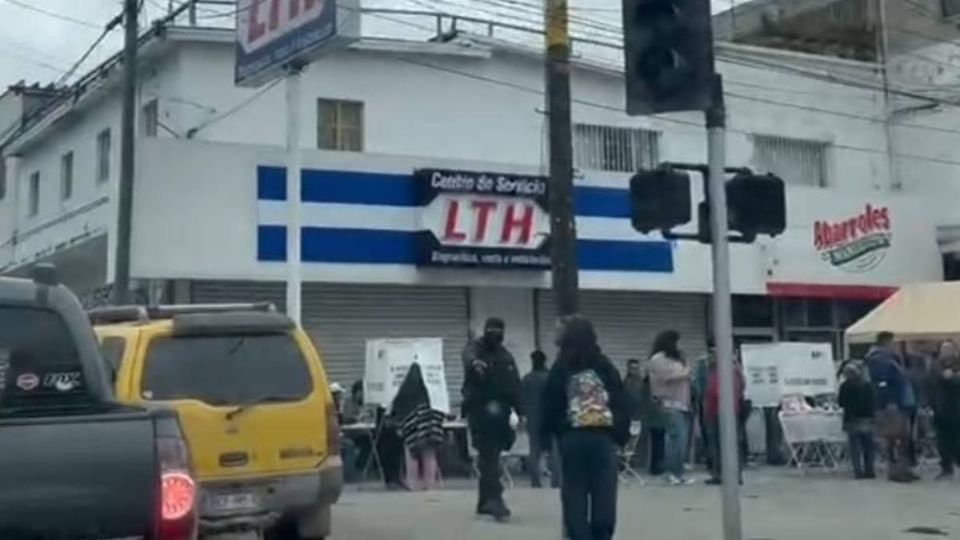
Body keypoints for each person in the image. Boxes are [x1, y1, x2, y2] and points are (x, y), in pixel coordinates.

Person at [541, 317, 629, 540]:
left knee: (574, 492)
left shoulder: (561, 367)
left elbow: (549, 406)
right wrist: (618, 435)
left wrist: (557, 432)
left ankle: (578, 534)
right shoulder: (604, 365)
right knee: (604, 492)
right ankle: (602, 533)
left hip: (572, 438)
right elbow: (621, 401)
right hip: (603, 438)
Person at [461, 317, 522, 522]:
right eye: (492, 329)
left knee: (491, 456)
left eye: (499, 330)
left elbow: (514, 383)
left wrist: (521, 411)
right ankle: (494, 499)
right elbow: (469, 355)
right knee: (489, 456)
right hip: (480, 411)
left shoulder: (505, 355)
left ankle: (484, 502)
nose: (495, 333)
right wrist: (475, 363)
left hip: (501, 413)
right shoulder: (476, 348)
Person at [866, 331, 917, 483]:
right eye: (892, 343)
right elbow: (882, 383)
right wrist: (889, 402)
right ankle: (896, 471)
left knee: (904, 437)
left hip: (902, 403)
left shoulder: (891, 359)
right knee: (894, 437)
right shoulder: (879, 360)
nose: (895, 346)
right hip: (892, 405)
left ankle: (904, 468)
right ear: (886, 343)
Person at [648, 330, 693, 485]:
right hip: (669, 403)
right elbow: (667, 376)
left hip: (681, 403)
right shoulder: (658, 358)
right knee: (676, 438)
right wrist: (686, 371)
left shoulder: (676, 358)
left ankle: (678, 472)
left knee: (679, 439)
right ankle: (673, 472)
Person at [391, 363, 445, 491]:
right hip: (431, 424)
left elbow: (398, 405)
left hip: (413, 424)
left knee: (411, 453)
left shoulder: (406, 388)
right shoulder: (432, 387)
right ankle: (429, 483)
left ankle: (413, 482)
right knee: (429, 454)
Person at [704, 354, 746, 485]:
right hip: (733, 410)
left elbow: (714, 393)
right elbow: (742, 388)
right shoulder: (737, 373)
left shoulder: (720, 374)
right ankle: (736, 474)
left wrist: (708, 413)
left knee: (717, 445)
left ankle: (719, 474)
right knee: (733, 444)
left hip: (718, 411)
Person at [522, 350, 558, 488]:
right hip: (551, 416)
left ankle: (535, 481)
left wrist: (523, 414)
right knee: (555, 450)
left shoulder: (527, 378)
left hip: (533, 416)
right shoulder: (551, 377)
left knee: (534, 449)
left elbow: (521, 398)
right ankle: (556, 482)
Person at [838, 363, 876, 480]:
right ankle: (869, 470)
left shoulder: (845, 386)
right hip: (867, 418)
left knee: (855, 448)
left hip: (852, 419)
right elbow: (873, 401)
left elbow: (841, 402)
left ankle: (858, 471)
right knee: (868, 446)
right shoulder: (867, 385)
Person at [930, 340, 960, 479]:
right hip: (940, 407)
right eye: (944, 349)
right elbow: (931, 382)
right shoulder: (935, 364)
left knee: (956, 439)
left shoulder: (957, 363)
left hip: (956, 407)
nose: (946, 351)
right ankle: (946, 468)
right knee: (942, 439)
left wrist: (953, 377)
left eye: (948, 348)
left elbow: (951, 379)